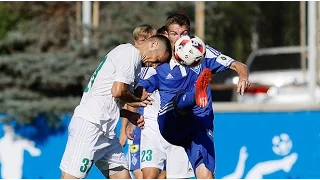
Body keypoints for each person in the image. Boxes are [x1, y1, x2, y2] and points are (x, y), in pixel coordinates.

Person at [137, 14, 250, 179]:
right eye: (175, 34)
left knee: (206, 176)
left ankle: (197, 94)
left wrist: (243, 76)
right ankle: (195, 94)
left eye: (184, 33)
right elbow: (142, 86)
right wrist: (135, 102)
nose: (180, 38)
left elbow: (238, 65)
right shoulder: (159, 60)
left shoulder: (201, 52)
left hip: (199, 123)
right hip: (171, 123)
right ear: (167, 35)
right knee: (178, 102)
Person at [59, 34, 172, 179]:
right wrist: (137, 99)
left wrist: (129, 114)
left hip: (106, 132)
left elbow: (110, 99)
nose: (155, 64)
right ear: (153, 44)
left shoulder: (133, 61)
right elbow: (118, 91)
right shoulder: (130, 53)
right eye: (158, 59)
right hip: (90, 126)